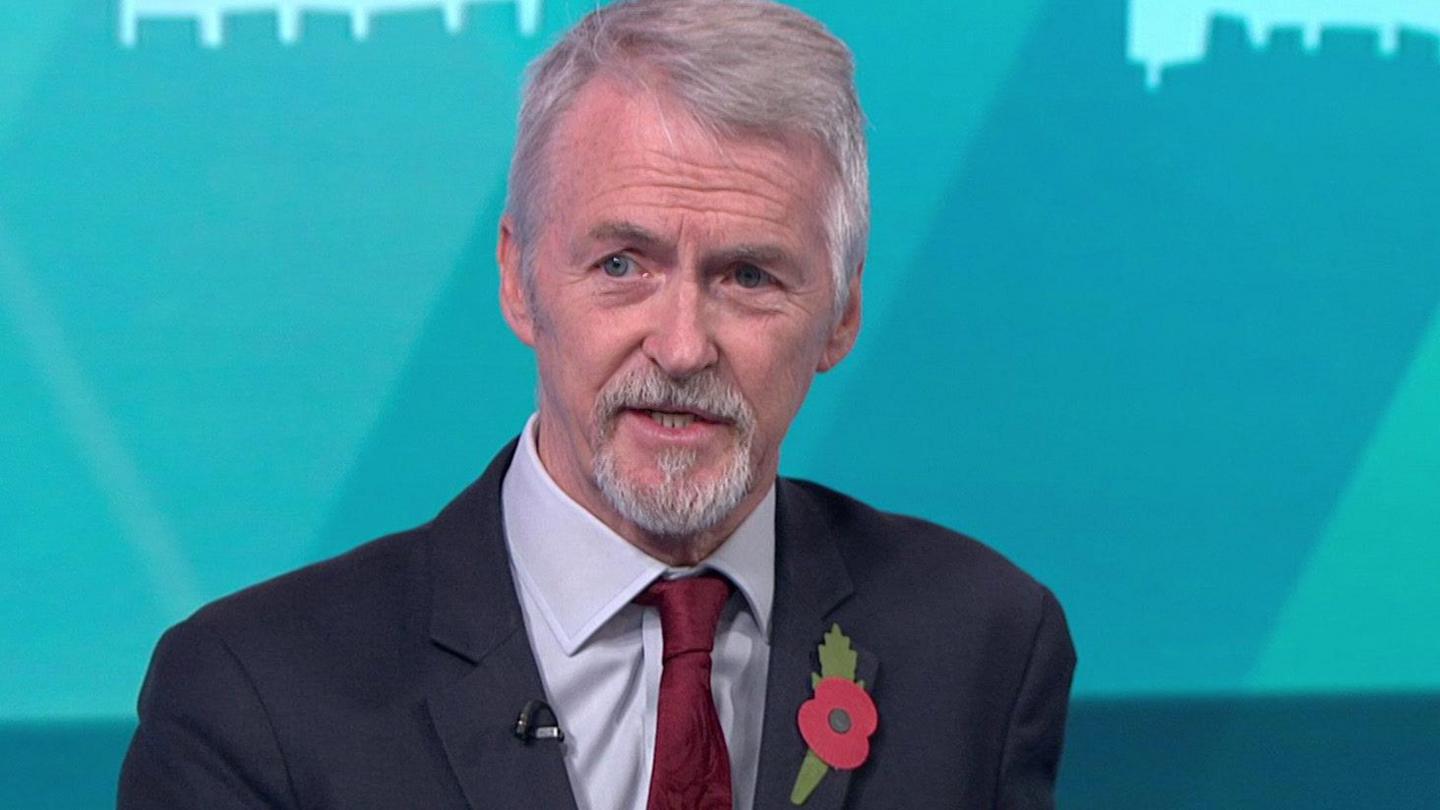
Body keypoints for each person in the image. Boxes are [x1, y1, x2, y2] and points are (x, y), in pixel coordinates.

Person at [118, 1, 1076, 807]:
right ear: (519, 280)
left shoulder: (983, 645)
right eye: (622, 264)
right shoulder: (255, 698)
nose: (682, 345)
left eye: (748, 276)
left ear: (841, 319)